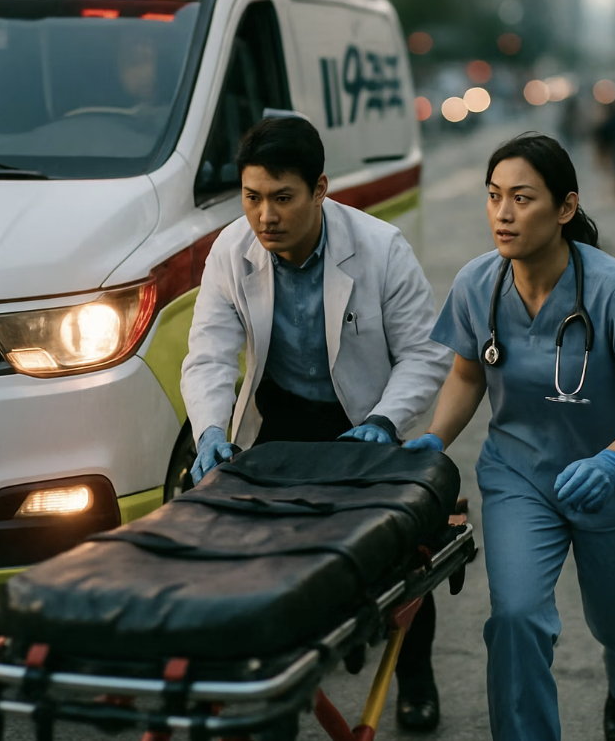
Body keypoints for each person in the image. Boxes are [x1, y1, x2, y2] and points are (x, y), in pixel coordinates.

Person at [181, 115, 452, 732]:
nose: (265, 216)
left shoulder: (381, 248)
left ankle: (417, 675)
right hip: (277, 422)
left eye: (283, 198)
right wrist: (210, 432)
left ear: (320, 189)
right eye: (252, 198)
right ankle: (278, 683)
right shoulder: (232, 250)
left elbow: (426, 353)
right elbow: (211, 353)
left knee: (403, 551)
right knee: (269, 557)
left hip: (361, 421)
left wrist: (385, 422)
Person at [405, 133, 615, 741]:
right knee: (517, 617)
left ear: (565, 208)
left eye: (522, 198)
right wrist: (435, 439)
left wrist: (612, 462)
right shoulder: (479, 284)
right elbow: (468, 373)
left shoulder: (614, 290)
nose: (503, 213)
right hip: (521, 476)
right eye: (494, 196)